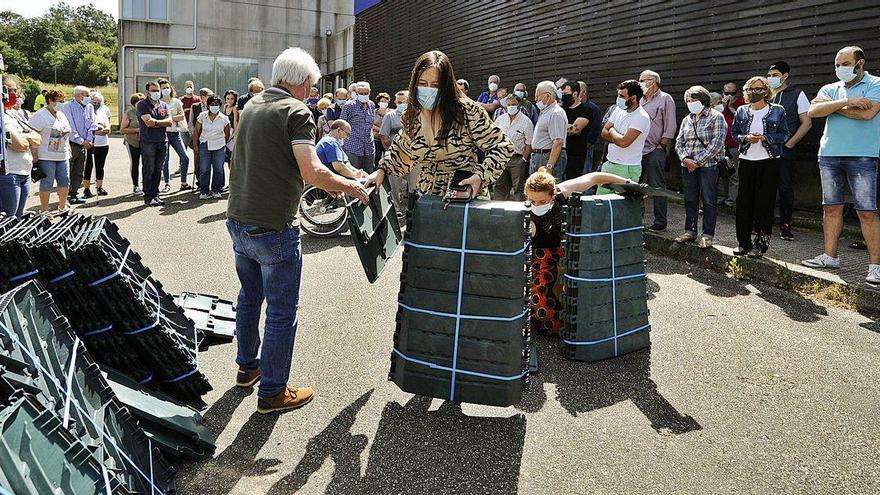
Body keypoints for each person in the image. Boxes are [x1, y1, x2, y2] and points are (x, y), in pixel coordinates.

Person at [226, 47, 369, 414]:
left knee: (249, 297)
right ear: (303, 80)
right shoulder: (296, 111)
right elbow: (312, 172)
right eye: (313, 84)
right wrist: (352, 185)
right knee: (281, 311)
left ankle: (248, 368)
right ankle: (273, 392)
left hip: (239, 218)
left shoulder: (253, 105)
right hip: (274, 224)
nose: (313, 91)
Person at [370, 50, 513, 199]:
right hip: (428, 200)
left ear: (446, 86)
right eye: (423, 84)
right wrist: (381, 170)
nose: (429, 90)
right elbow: (401, 153)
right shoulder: (412, 116)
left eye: (436, 85)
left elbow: (502, 146)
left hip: (464, 198)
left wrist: (481, 176)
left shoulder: (466, 111)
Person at [801, 46, 880, 286]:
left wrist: (833, 106)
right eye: (837, 64)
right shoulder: (829, 88)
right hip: (829, 154)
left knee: (866, 212)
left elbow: (868, 115)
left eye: (845, 63)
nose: (840, 68)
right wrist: (848, 101)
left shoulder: (876, 83)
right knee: (831, 208)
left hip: (863, 155)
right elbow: (813, 111)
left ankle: (875, 267)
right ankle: (830, 257)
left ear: (860, 64)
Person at [524, 167, 631, 335]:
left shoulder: (561, 194)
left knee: (578, 290)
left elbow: (595, 177)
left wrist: (630, 184)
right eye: (532, 201)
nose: (536, 205)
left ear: (553, 195)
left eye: (542, 201)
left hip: (565, 253)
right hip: (539, 261)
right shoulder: (523, 214)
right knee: (543, 311)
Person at [731, 76, 790, 258]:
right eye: (751, 89)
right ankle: (743, 243)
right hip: (747, 160)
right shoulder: (741, 110)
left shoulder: (777, 110)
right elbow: (734, 134)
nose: (755, 92)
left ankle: (761, 246)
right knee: (743, 203)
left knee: (764, 204)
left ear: (766, 91)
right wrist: (746, 138)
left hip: (769, 160)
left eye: (759, 89)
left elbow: (785, 134)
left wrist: (766, 138)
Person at [673, 86, 728, 249]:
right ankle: (689, 231)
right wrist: (685, 159)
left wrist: (697, 161)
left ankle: (707, 235)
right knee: (690, 199)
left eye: (693, 100)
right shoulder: (686, 119)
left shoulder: (716, 117)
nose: (690, 104)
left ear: (703, 100)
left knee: (709, 200)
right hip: (687, 166)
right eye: (688, 101)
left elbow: (717, 143)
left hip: (708, 166)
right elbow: (679, 142)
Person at [767, 61, 813, 241]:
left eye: (775, 75)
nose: (771, 79)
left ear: (785, 76)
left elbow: (807, 122)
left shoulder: (797, 94)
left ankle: (786, 225)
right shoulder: (764, 94)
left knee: (784, 187)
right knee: (764, 186)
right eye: (769, 75)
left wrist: (790, 143)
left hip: (784, 149)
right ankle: (761, 222)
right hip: (762, 149)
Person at [637, 70, 677, 231]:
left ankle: (660, 222)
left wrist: (662, 144)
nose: (639, 82)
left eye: (642, 80)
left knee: (657, 186)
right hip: (636, 149)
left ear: (652, 82)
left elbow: (670, 125)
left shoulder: (665, 98)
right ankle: (635, 219)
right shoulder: (638, 100)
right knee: (635, 186)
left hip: (655, 149)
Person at [597, 80, 650, 194]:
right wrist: (617, 137)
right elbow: (603, 133)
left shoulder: (641, 117)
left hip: (627, 168)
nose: (618, 99)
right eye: (618, 95)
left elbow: (624, 143)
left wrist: (611, 130)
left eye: (622, 96)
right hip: (610, 163)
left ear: (633, 98)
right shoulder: (618, 109)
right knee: (601, 206)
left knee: (621, 209)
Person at [1, 74, 40, 218]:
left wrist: (25, 138)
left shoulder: (14, 114)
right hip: (8, 175)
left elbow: (38, 138)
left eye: (15, 90)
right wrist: (27, 139)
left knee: (18, 219)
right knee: (8, 220)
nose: (14, 94)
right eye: (10, 90)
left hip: (24, 173)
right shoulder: (1, 116)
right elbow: (19, 144)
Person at [28, 89, 71, 213]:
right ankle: (44, 210)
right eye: (60, 101)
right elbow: (31, 134)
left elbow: (67, 131)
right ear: (50, 101)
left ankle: (62, 207)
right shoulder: (40, 115)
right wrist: (35, 156)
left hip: (63, 155)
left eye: (63, 101)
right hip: (46, 156)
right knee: (47, 183)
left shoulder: (61, 114)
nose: (62, 103)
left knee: (64, 181)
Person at [136, 81, 173, 207]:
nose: (157, 93)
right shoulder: (142, 105)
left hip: (162, 141)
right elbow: (148, 123)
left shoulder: (163, 105)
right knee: (149, 169)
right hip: (148, 142)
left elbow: (170, 122)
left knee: (158, 170)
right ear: (147, 92)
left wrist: (156, 122)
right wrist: (160, 123)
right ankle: (148, 196)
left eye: (158, 90)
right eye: (154, 90)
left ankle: (156, 194)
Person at [493, 93, 533, 201]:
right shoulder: (500, 119)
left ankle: (517, 215)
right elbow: (493, 138)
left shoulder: (526, 122)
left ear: (519, 104)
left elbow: (529, 143)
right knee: (499, 186)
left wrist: (523, 159)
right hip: (501, 157)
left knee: (518, 189)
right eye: (509, 104)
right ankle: (497, 211)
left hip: (517, 158)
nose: (511, 106)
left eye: (513, 104)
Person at [60, 85, 95, 205]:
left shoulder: (89, 107)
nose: (89, 98)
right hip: (72, 144)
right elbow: (69, 127)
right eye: (87, 95)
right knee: (67, 171)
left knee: (79, 171)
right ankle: (64, 197)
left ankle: (74, 194)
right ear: (78, 96)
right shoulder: (67, 107)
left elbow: (92, 124)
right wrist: (81, 141)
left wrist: (89, 139)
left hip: (84, 145)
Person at [379, 90, 414, 209]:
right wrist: (391, 153)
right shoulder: (390, 116)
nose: (401, 104)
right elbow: (384, 136)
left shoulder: (416, 116)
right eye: (399, 102)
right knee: (394, 186)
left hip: (414, 158)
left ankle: (413, 209)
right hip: (395, 157)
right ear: (395, 102)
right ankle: (396, 208)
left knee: (414, 187)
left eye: (404, 102)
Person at [191, 95, 230, 200]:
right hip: (205, 145)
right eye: (212, 104)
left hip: (219, 146)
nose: (214, 106)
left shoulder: (224, 118)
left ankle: (216, 190)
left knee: (218, 169)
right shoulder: (202, 116)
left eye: (217, 104)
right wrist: (195, 146)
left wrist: (222, 143)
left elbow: (227, 135)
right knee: (204, 169)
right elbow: (196, 132)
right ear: (208, 105)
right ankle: (204, 191)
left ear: (220, 106)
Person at [530, 80, 568, 182]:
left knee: (547, 191)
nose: (535, 99)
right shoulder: (546, 111)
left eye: (537, 96)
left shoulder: (556, 113)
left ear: (547, 95)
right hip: (538, 157)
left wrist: (550, 166)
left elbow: (558, 141)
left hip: (547, 157)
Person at [718, 82, 747, 207]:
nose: (729, 96)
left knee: (734, 174)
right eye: (726, 93)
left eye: (732, 93)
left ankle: (731, 200)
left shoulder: (742, 103)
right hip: (721, 146)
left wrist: (729, 107)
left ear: (737, 93)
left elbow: (743, 120)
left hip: (735, 145)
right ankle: (722, 197)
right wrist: (723, 106)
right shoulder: (718, 104)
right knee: (722, 173)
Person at [160, 78, 190, 192]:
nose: (166, 90)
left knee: (185, 157)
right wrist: (172, 119)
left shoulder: (177, 102)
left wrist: (167, 119)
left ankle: (183, 182)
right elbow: (158, 119)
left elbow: (181, 116)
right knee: (165, 160)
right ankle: (167, 184)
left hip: (175, 133)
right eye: (163, 88)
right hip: (163, 134)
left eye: (167, 87)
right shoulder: (159, 103)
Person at [340, 81, 376, 173]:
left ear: (369, 92)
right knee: (354, 175)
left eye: (366, 93)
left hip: (369, 148)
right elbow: (342, 124)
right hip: (353, 147)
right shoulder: (349, 106)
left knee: (369, 175)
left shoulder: (371, 105)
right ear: (356, 93)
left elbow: (371, 124)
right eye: (361, 93)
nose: (364, 95)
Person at [560, 81, 591, 181]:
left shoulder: (585, 110)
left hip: (575, 154)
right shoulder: (561, 109)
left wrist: (559, 127)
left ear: (575, 94)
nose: (564, 96)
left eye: (566, 94)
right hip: (560, 152)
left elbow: (575, 129)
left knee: (572, 183)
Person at [83, 92, 111, 198]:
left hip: (103, 143)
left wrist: (98, 130)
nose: (96, 104)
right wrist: (94, 131)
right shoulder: (86, 111)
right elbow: (86, 129)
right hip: (90, 143)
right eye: (94, 102)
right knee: (88, 166)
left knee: (100, 166)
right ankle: (86, 189)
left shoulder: (104, 111)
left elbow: (108, 128)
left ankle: (99, 187)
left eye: (98, 102)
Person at [119, 93, 145, 195]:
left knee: (146, 163)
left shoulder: (147, 111)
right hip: (132, 142)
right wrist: (138, 130)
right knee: (135, 163)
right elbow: (122, 129)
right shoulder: (129, 113)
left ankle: (146, 185)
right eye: (137, 102)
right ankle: (136, 185)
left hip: (145, 142)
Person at [578, 81, 603, 173]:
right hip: (572, 146)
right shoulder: (573, 107)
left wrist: (587, 143)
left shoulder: (593, 108)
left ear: (584, 92)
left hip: (585, 146)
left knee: (584, 172)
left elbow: (595, 128)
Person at [372, 92, 391, 171]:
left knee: (388, 157)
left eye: (386, 101)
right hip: (376, 139)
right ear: (379, 102)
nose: (384, 103)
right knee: (377, 157)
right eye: (382, 101)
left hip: (387, 139)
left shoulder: (391, 112)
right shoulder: (373, 112)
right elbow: (370, 124)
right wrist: (381, 130)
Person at [223, 90, 240, 166]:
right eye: (228, 98)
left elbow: (235, 121)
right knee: (227, 157)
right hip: (226, 133)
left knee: (232, 156)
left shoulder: (235, 108)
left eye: (232, 99)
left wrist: (236, 135)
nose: (229, 101)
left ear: (235, 99)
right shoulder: (225, 107)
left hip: (233, 134)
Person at [180, 80, 196, 147]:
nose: (189, 88)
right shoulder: (181, 100)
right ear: (184, 88)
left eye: (190, 86)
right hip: (184, 127)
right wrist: (184, 110)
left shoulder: (197, 99)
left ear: (193, 88)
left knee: (195, 146)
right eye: (187, 87)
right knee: (183, 146)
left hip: (194, 127)